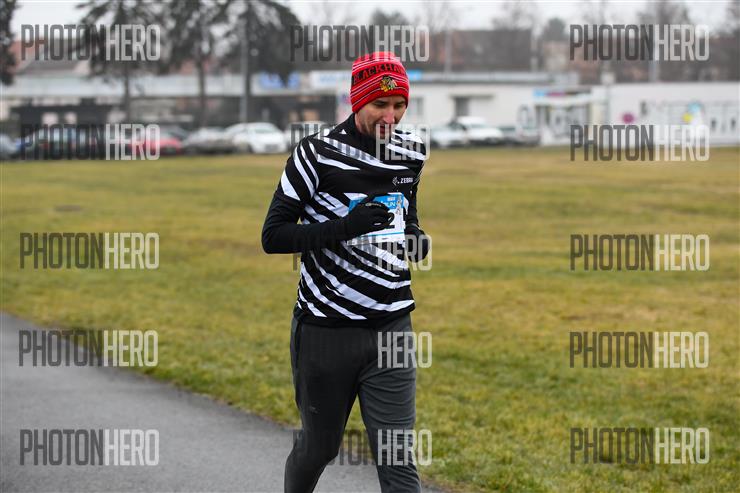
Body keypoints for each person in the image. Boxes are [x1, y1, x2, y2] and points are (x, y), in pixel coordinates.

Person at [261, 51, 430, 493]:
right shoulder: (315, 155)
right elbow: (273, 236)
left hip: (392, 324)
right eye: (380, 105)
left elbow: (406, 212)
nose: (391, 116)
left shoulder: (411, 152)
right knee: (320, 447)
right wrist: (344, 228)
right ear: (357, 101)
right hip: (326, 328)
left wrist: (415, 235)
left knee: (397, 457)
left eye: (400, 106)